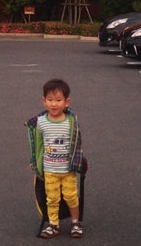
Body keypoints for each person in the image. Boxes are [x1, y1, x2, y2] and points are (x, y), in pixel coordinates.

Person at [26, 78, 85, 239]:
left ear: (67, 102)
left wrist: (81, 161)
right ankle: (53, 224)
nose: (54, 104)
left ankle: (75, 222)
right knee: (51, 199)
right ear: (43, 101)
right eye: (50, 100)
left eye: (58, 100)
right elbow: (37, 146)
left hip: (68, 170)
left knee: (71, 196)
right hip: (49, 170)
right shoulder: (41, 122)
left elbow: (77, 144)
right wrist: (34, 161)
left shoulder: (71, 122)